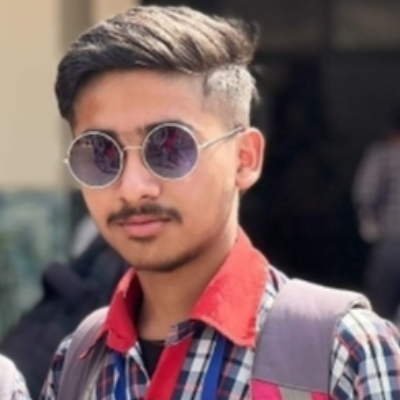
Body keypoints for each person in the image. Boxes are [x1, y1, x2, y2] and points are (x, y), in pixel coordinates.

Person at [40, 5, 400, 399]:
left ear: (245, 159)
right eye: (101, 153)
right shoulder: (78, 363)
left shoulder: (344, 353)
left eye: (171, 147)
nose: (133, 187)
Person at [353, 112, 400, 320]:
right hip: (390, 241)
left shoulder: (382, 154)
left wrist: (369, 224)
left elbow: (365, 192)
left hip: (390, 241)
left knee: (381, 308)